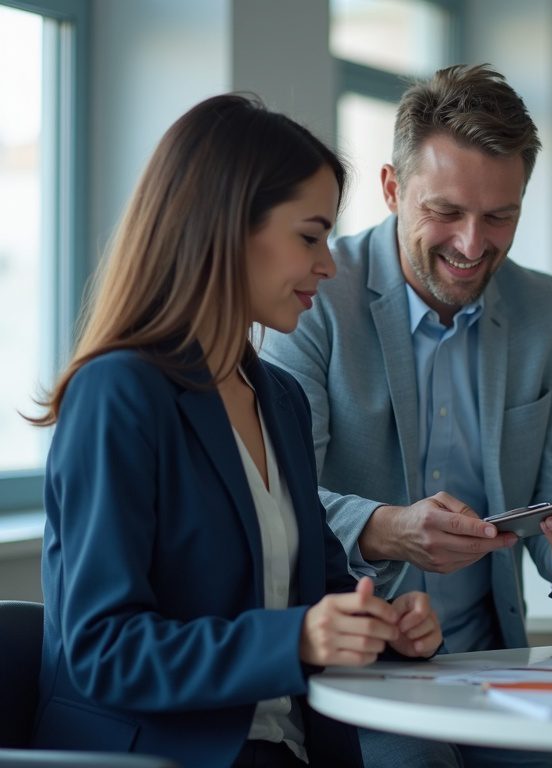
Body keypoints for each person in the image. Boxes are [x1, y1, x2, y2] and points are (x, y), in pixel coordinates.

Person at [28, 94, 442, 768]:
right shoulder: (118, 394)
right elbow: (102, 650)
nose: (328, 264)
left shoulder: (278, 397)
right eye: (309, 237)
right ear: (225, 228)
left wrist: (386, 627)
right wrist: (296, 640)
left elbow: (319, 594)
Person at [260, 64, 552, 767]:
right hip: (360, 667)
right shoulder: (314, 298)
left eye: (500, 217)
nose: (472, 245)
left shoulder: (549, 313)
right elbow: (280, 501)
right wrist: (387, 529)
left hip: (495, 665)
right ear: (391, 189)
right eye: (446, 212)